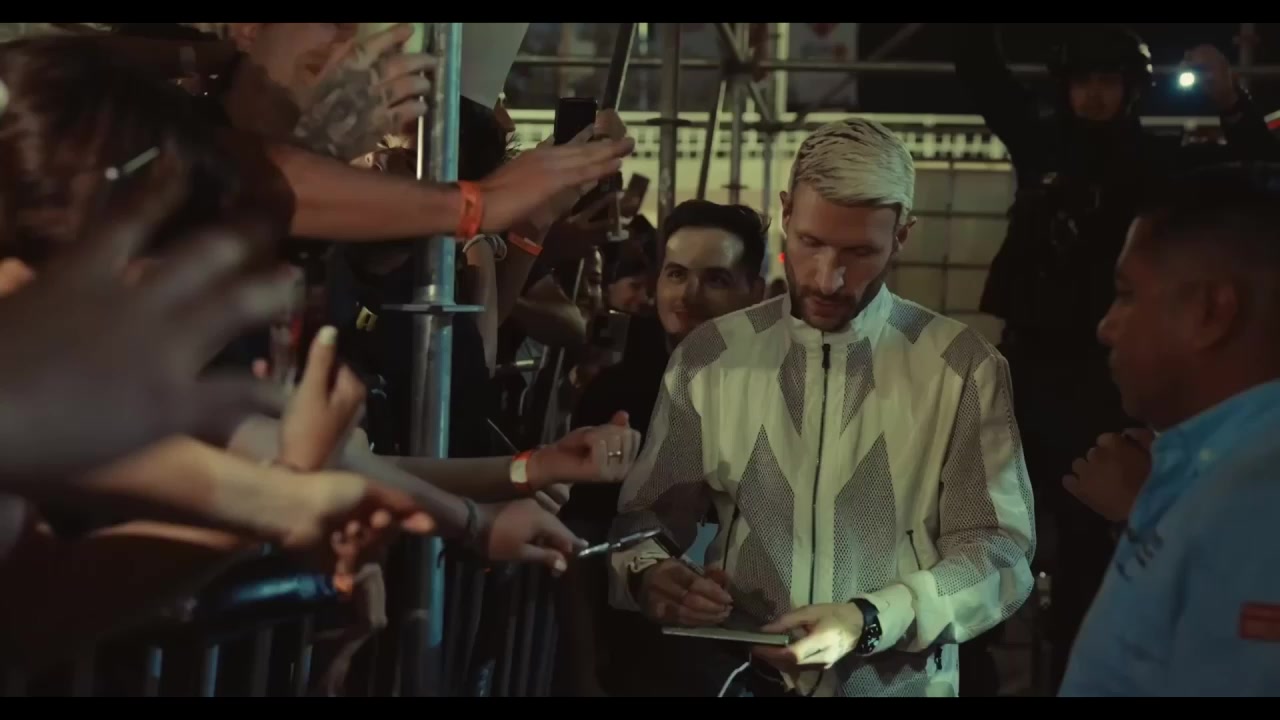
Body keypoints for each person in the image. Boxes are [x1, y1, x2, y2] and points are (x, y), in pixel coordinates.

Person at [608, 119, 1036, 698]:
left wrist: (872, 618)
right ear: (786, 213)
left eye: (860, 252)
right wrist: (649, 573)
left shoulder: (960, 366)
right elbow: (647, 519)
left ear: (903, 235)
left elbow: (1000, 553)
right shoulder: (712, 356)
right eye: (811, 243)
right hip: (742, 681)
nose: (828, 278)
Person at [954, 24, 1280, 692]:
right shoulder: (1042, 143)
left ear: (1132, 89)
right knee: (987, 531)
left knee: (1085, 551)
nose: (1096, 95)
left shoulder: (1157, 161)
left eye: (1109, 81)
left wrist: (1232, 102)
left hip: (1105, 381)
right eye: (1084, 81)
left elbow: (1252, 198)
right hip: (1025, 367)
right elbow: (984, 79)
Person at [1060, 162, 1280, 696]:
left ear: (1211, 312)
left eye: (1127, 294)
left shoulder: (1258, 502)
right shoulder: (1205, 470)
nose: (1106, 327)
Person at [557, 199, 768, 696]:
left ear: (754, 292)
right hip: (639, 655)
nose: (688, 295)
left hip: (751, 653)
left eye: (716, 279)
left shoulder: (781, 389)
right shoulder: (617, 393)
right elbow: (580, 542)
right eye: (676, 274)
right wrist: (583, 674)